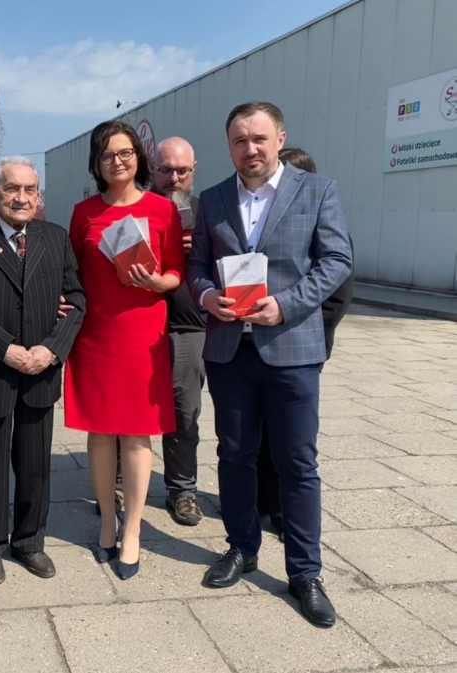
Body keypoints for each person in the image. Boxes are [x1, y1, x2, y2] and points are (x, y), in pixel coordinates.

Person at [188, 102, 352, 627]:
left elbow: (337, 261)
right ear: (229, 145)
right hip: (230, 351)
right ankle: (241, 547)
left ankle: (305, 573)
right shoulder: (213, 198)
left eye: (259, 138)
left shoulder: (318, 191)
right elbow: (196, 265)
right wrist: (207, 294)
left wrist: (286, 304)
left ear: (280, 138)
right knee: (234, 454)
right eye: (239, 140)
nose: (250, 149)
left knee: (297, 463)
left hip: (291, 347)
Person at [0, 157, 85, 586]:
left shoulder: (55, 238)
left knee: (34, 464)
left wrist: (51, 349)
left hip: (40, 371)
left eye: (30, 190)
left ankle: (29, 541)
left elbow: (76, 301)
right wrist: (4, 349)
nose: (21, 198)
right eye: (12, 189)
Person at [65, 121, 185, 580]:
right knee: (99, 432)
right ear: (96, 163)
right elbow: (71, 272)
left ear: (139, 156)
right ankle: (107, 521)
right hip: (95, 334)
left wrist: (157, 282)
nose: (117, 161)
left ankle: (132, 530)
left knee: (137, 434)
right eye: (107, 155)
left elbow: (177, 271)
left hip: (141, 333)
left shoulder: (162, 209)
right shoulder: (84, 213)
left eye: (125, 153)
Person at [256, 147, 355, 537]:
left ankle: (284, 512)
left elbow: (337, 295)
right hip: (256, 343)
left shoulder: (322, 214)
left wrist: (307, 325)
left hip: (300, 344)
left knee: (292, 442)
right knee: (257, 435)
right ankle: (261, 500)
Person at [150, 136, 207, 527]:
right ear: (152, 169)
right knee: (129, 410)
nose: (173, 178)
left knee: (184, 413)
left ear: (193, 170)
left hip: (189, 327)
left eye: (182, 170)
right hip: (139, 324)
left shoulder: (208, 211)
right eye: (165, 170)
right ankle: (118, 483)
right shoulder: (136, 207)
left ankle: (182, 491)